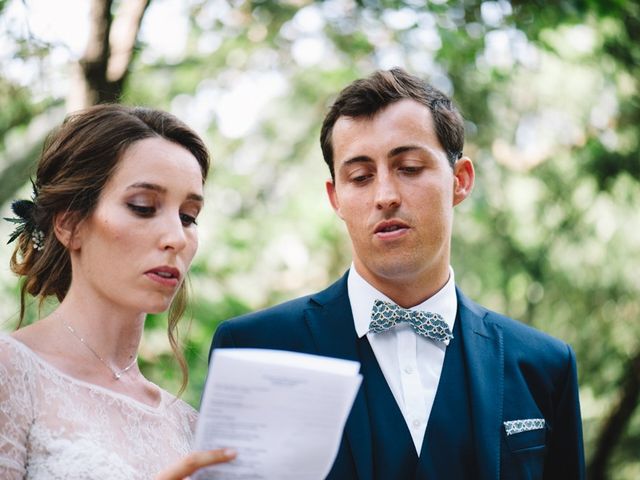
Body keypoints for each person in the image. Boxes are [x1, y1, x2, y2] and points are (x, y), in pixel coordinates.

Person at [210, 68, 585, 479]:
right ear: (336, 197)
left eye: (408, 168)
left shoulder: (544, 364)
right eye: (360, 177)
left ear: (460, 181)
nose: (385, 196)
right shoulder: (254, 348)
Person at [0, 104, 236, 479]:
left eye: (188, 217)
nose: (176, 237)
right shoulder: (10, 371)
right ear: (70, 223)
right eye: (143, 207)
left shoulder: (188, 426)